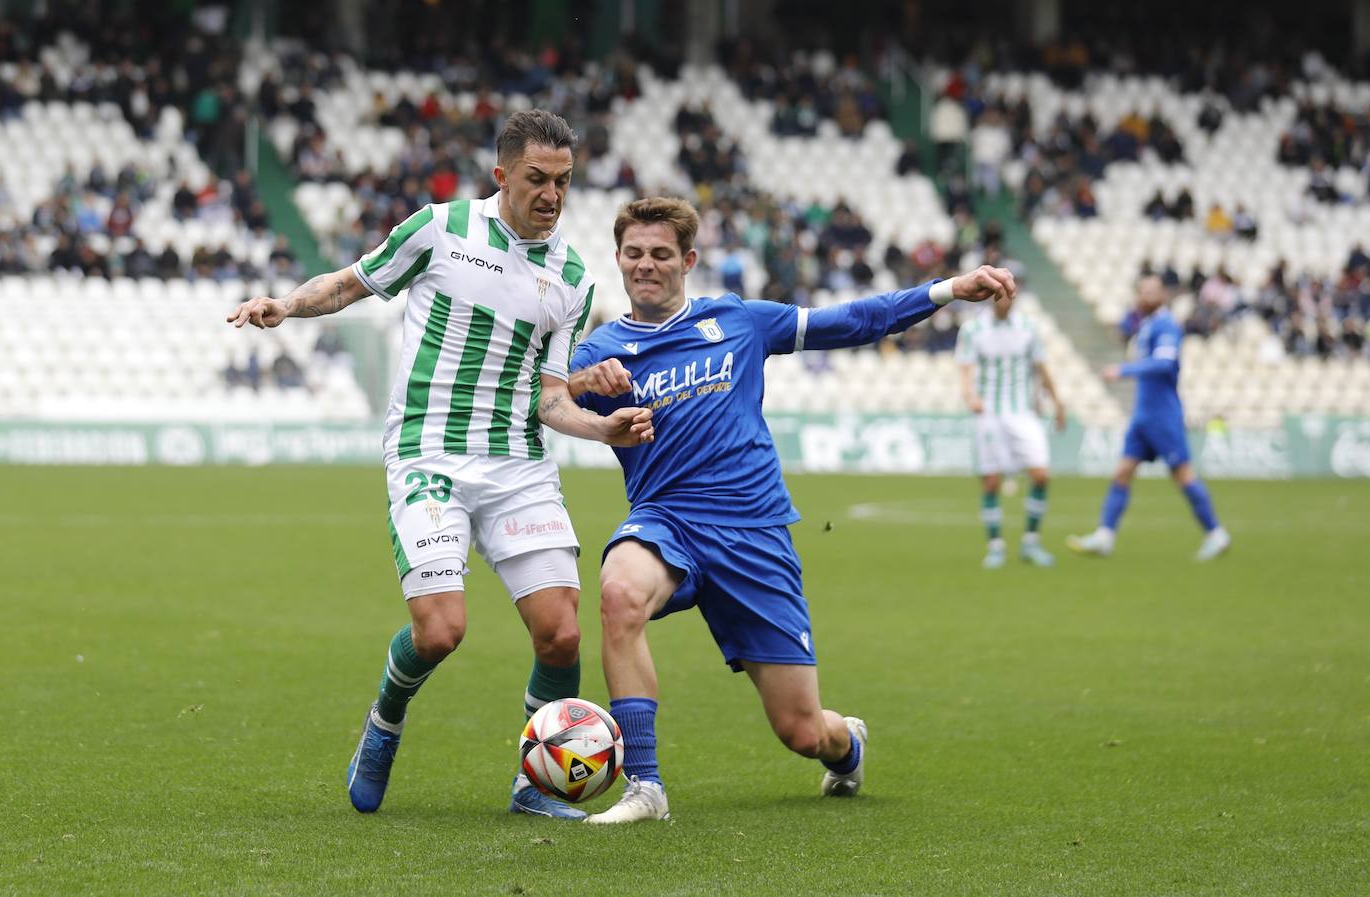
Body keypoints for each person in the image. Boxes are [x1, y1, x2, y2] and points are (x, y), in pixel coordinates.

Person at [224, 110, 654, 820]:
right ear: (502, 176)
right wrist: (287, 305)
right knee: (440, 631)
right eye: (537, 179)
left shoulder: (573, 277)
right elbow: (352, 282)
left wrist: (602, 428)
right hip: (429, 453)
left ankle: (533, 785)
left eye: (564, 181)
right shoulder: (441, 229)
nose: (552, 195)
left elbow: (550, 398)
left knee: (561, 633)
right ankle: (384, 722)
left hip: (516, 462)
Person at [567, 197, 1013, 823]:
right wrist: (585, 388)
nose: (646, 265)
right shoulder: (599, 351)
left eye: (661, 254)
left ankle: (846, 744)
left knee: (802, 731)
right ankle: (645, 786)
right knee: (618, 594)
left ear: (688, 261)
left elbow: (852, 321)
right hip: (666, 520)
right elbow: (542, 399)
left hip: (753, 532)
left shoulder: (739, 320)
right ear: (617, 258)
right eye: (634, 253)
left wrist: (946, 290)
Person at [1068, 276, 1231, 561]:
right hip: (1143, 416)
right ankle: (1105, 536)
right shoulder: (1146, 325)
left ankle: (1216, 534)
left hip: (1163, 416)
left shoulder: (1166, 325)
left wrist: (1123, 370)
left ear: (1163, 295)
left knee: (1183, 475)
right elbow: (1123, 330)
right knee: (1122, 472)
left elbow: (1165, 364)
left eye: (1151, 292)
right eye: (1142, 292)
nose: (1145, 296)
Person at [955, 289, 1066, 569]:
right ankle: (995, 547)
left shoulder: (1028, 327)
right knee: (992, 481)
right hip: (989, 414)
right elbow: (964, 369)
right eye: (997, 294)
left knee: (1041, 475)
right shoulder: (972, 329)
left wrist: (1057, 402)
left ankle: (1031, 542)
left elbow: (1041, 367)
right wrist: (970, 396)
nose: (1002, 299)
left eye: (1007, 294)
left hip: (1022, 413)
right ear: (989, 297)